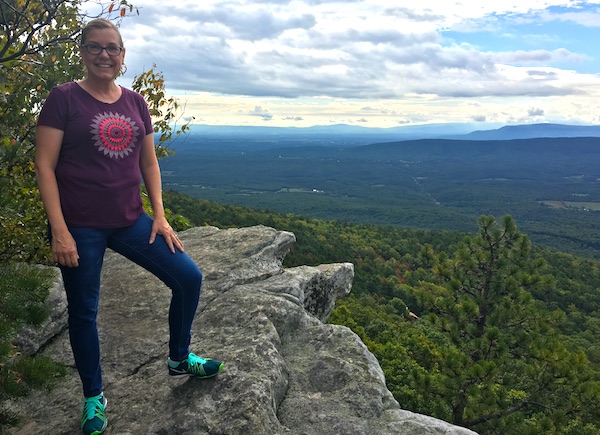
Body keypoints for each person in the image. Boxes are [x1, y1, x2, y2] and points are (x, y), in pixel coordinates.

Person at [34, 18, 223, 435]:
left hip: (130, 220)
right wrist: (59, 231)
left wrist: (159, 213)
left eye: (113, 48)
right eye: (96, 47)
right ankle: (93, 398)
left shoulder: (136, 103)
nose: (104, 54)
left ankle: (179, 358)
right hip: (80, 225)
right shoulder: (63, 98)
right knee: (84, 312)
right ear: (82, 52)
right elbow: (44, 167)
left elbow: (148, 162)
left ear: (123, 56)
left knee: (189, 278)